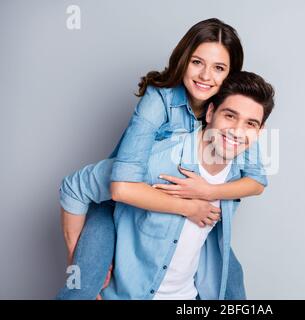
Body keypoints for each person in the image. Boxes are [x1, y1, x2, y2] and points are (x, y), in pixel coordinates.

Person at [57, 19, 268, 300]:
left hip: (176, 211)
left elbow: (256, 181)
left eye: (218, 68)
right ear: (184, 60)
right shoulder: (160, 99)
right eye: (197, 62)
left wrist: (208, 192)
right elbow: (121, 187)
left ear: (230, 76)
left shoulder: (234, 117)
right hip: (112, 200)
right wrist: (80, 259)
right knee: (83, 283)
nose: (206, 76)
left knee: (230, 280)